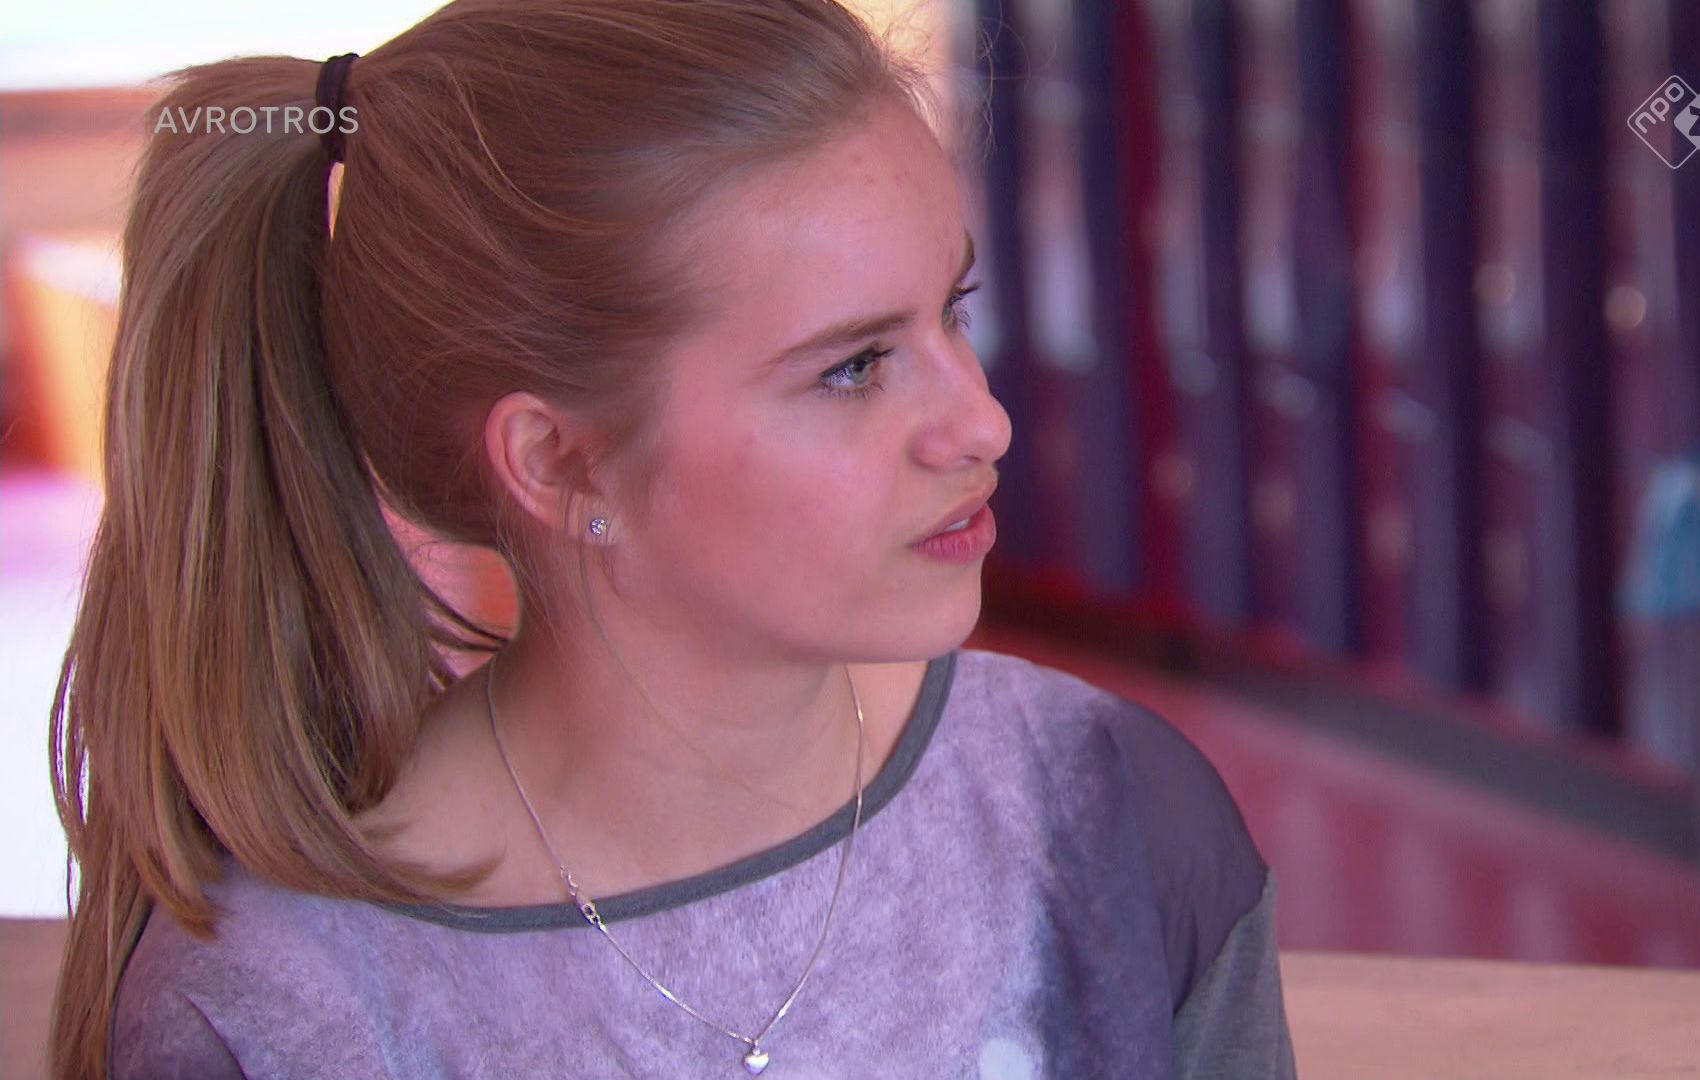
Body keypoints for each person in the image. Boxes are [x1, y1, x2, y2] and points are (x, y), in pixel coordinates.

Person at [48, 1, 1297, 1077]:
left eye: (952, 309)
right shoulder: (282, 1015)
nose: (982, 421)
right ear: (559, 461)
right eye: (855, 367)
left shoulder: (1104, 812)